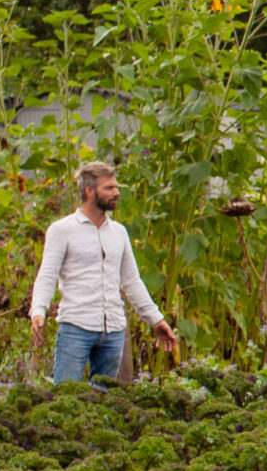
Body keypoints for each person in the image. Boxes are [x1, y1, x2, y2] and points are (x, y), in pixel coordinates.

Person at [28, 160, 178, 383]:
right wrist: (38, 310)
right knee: (66, 399)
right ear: (89, 191)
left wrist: (156, 319)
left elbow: (132, 281)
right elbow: (47, 275)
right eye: (109, 188)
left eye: (116, 187)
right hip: (75, 328)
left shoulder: (119, 232)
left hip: (113, 331)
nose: (116, 193)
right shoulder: (62, 230)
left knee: (105, 400)